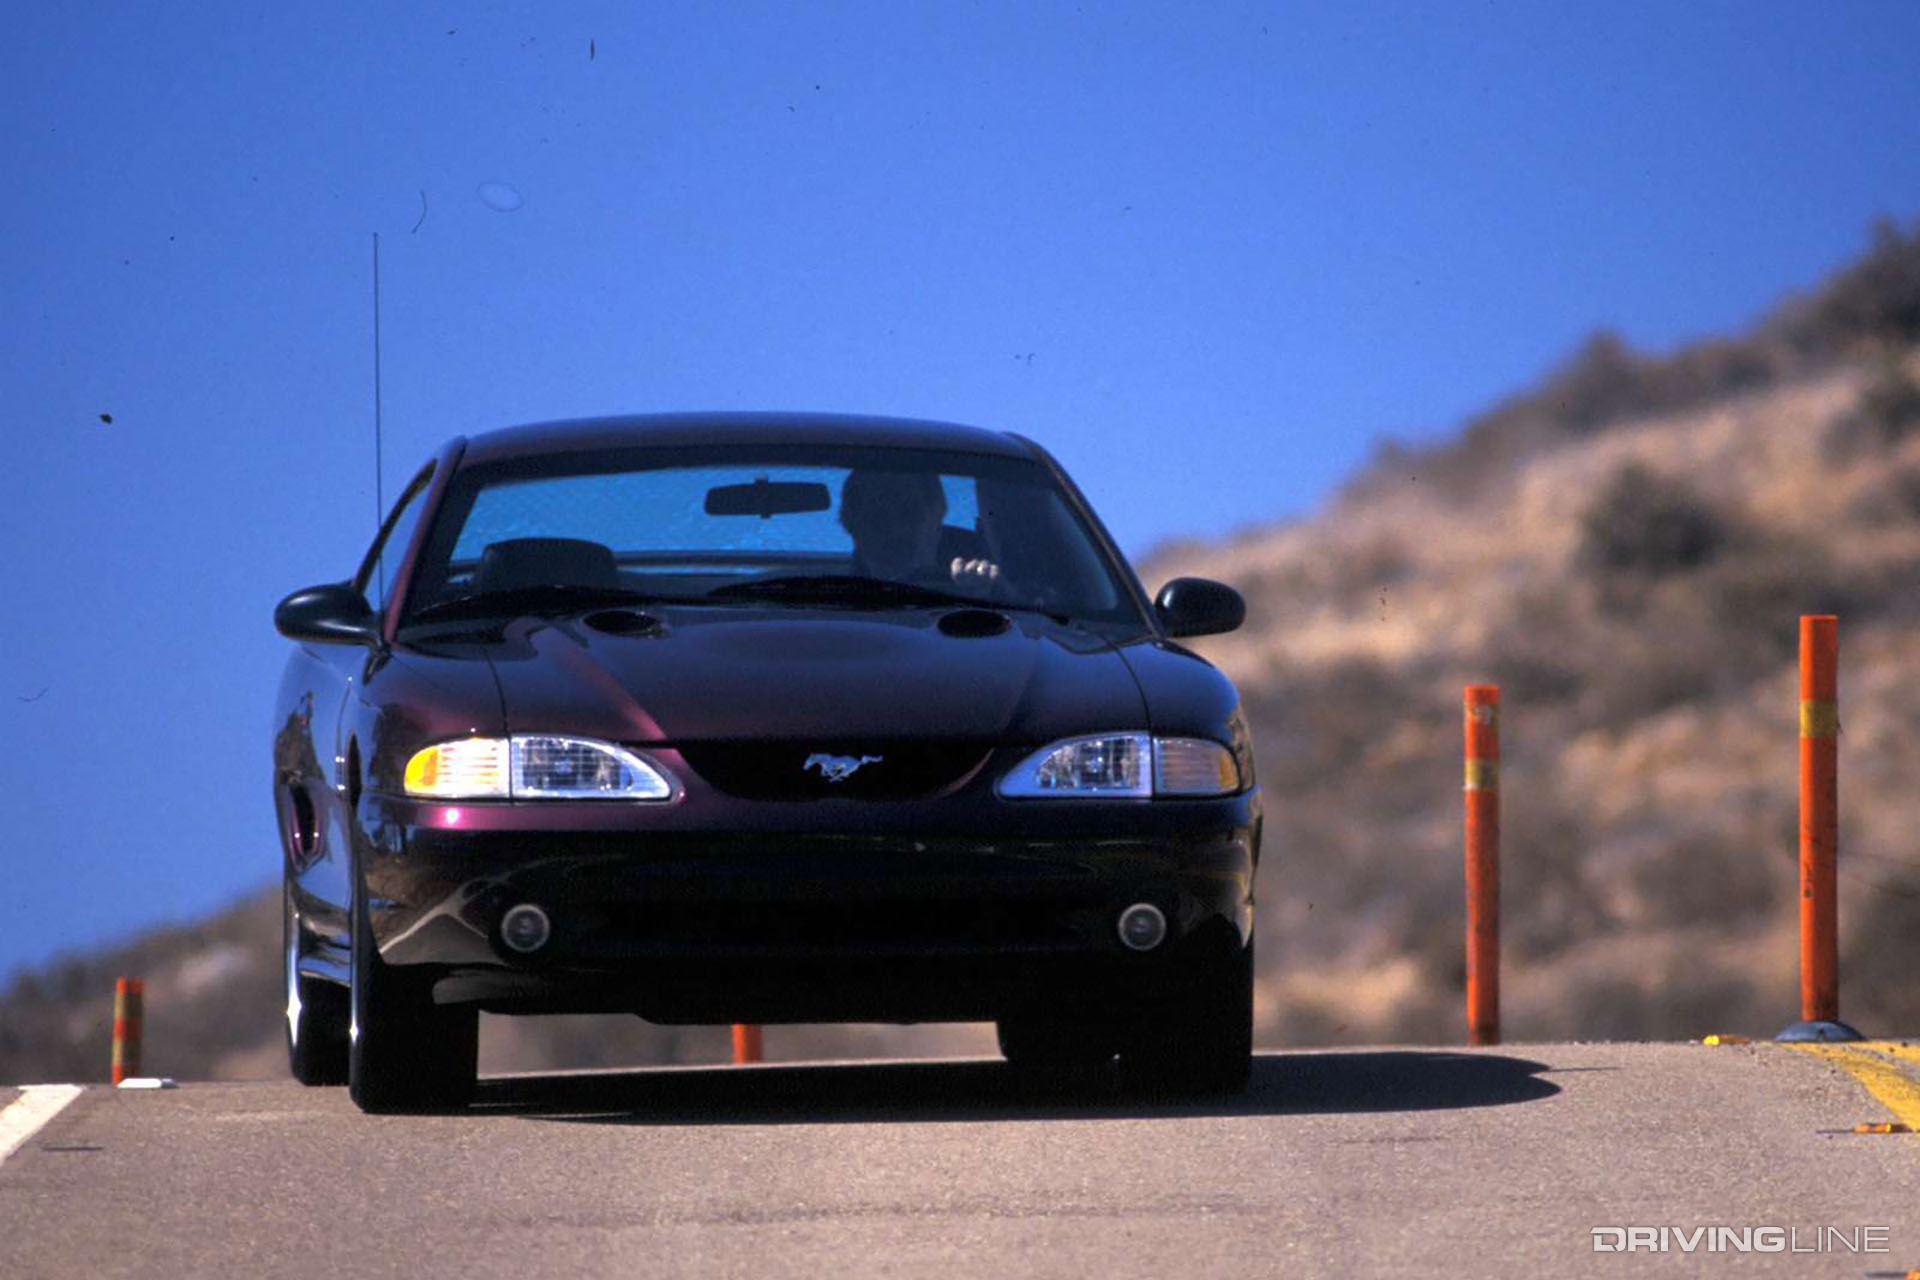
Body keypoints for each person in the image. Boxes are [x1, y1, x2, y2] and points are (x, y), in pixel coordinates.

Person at [838, 469, 999, 587]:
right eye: (877, 518)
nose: (895, 530)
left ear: (937, 517)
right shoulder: (826, 610)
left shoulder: (995, 602)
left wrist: (977, 603)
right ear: (851, 527)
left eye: (909, 513)